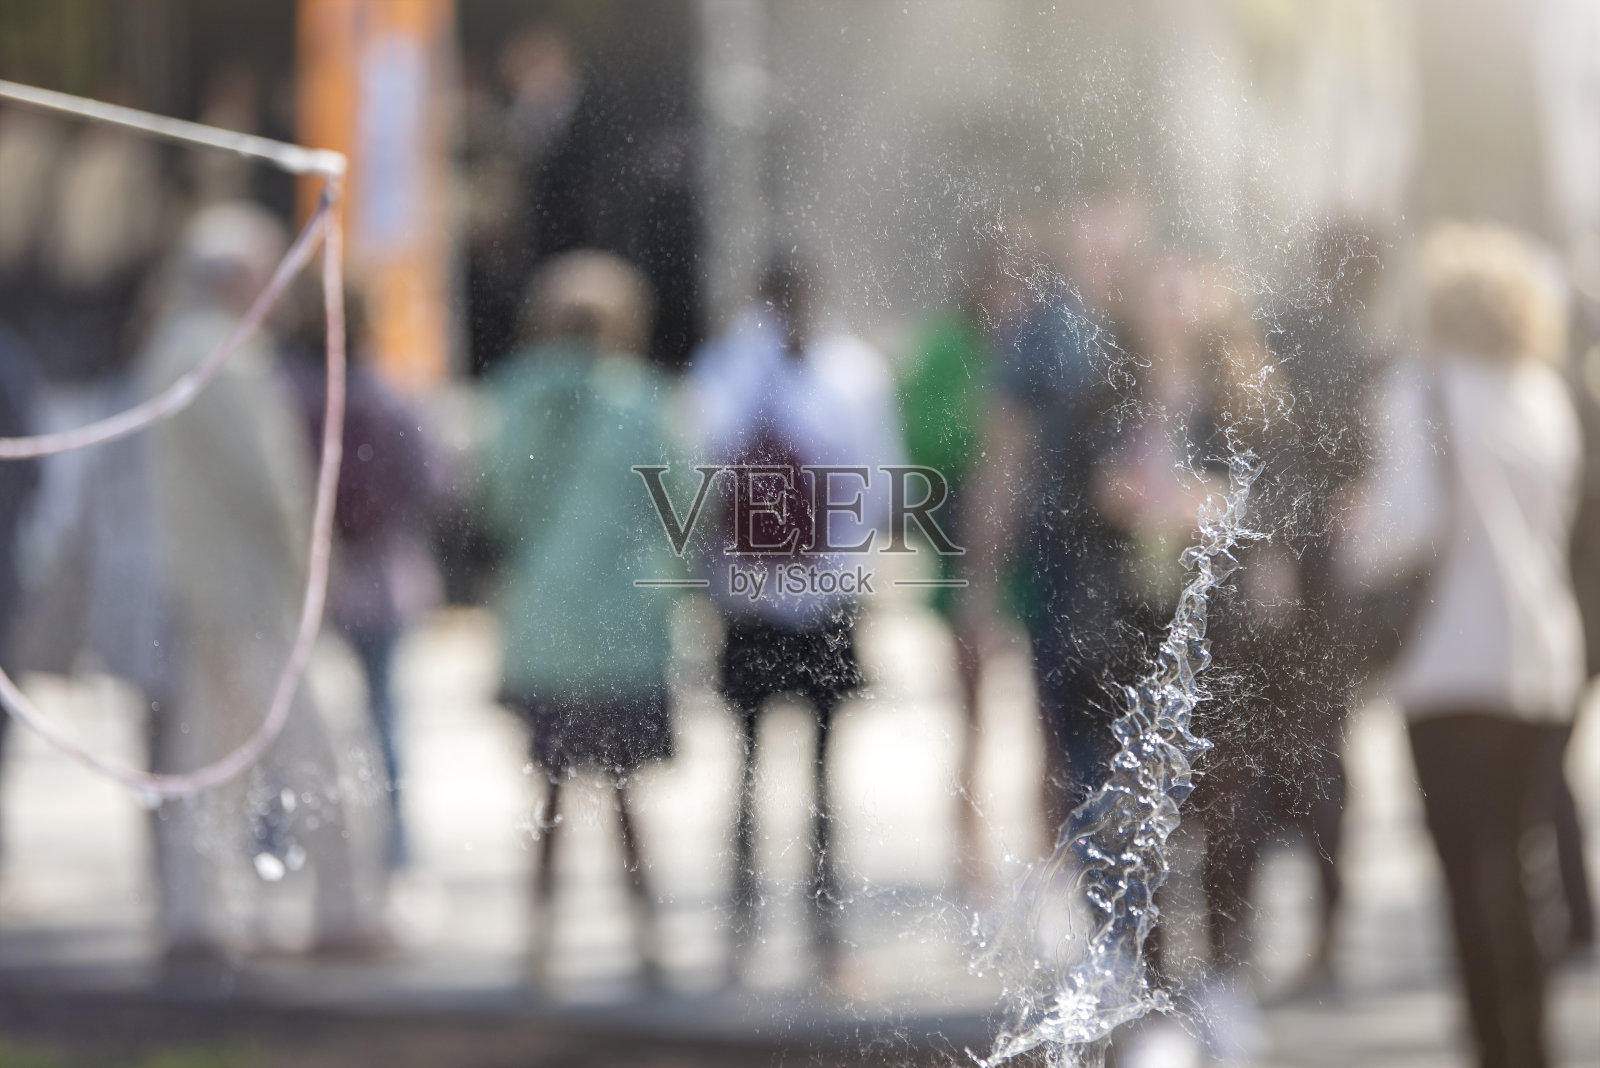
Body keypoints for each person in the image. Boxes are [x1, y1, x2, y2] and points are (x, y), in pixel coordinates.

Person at [1340, 222, 1582, 1068]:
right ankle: (1534, 1043)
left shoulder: (1422, 387)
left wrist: (1349, 538)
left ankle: (1494, 1045)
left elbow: (1404, 524)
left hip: (1450, 662)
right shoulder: (1543, 394)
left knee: (1467, 871)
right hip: (1543, 660)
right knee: (1520, 866)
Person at [134, 202, 388, 963]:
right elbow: (268, 482)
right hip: (252, 593)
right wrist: (313, 568)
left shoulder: (175, 346)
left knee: (210, 763)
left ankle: (198, 920)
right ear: (237, 278)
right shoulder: (219, 352)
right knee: (315, 751)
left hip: (208, 588)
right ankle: (341, 913)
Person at [687, 252, 902, 986]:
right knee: (795, 772)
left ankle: (770, 935)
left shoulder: (729, 368)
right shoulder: (848, 373)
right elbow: (879, 487)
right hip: (800, 597)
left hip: (769, 596)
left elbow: (702, 471)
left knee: (769, 770)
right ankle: (801, 934)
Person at [478, 250, 679, 987]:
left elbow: (496, 500)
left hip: (545, 621)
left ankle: (538, 940)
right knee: (626, 794)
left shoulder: (514, 395)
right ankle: (648, 938)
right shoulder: (646, 400)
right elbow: (683, 505)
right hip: (626, 625)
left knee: (551, 792)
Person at [281, 284, 441, 871]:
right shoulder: (388, 395)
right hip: (380, 577)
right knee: (383, 719)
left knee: (286, 716)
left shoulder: (282, 394)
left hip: (301, 578)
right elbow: (432, 480)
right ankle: (395, 847)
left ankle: (275, 845)